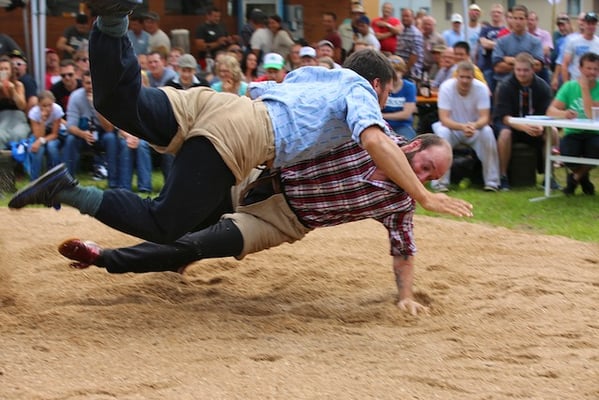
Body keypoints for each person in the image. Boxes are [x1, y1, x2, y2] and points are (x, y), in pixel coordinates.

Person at [9, 1, 473, 246]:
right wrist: (423, 194)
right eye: (384, 94)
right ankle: (67, 190)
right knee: (165, 222)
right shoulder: (359, 91)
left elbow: (271, 98)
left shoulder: (319, 74)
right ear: (376, 83)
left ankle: (113, 21)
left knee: (117, 102)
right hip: (245, 133)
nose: (382, 103)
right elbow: (374, 139)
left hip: (216, 105)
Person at [57, 134, 451, 316]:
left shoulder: (401, 200)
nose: (422, 179)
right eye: (425, 167)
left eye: (430, 178)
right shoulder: (368, 135)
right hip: (254, 178)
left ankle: (104, 258)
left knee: (197, 244)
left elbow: (403, 248)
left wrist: (405, 295)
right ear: (413, 146)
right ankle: (76, 194)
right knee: (166, 219)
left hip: (280, 221)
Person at [431, 61, 500, 192]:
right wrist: (462, 127)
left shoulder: (481, 88)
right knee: (442, 133)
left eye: (468, 77)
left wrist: (474, 125)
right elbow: (444, 119)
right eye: (462, 77)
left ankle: (492, 182)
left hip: (474, 129)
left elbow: (485, 117)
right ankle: (440, 183)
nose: (464, 81)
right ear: (456, 76)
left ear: (473, 77)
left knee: (487, 132)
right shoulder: (446, 87)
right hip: (451, 129)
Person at [493, 53, 554, 191]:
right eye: (518, 70)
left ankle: (549, 176)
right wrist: (523, 127)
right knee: (505, 134)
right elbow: (504, 117)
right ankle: (503, 176)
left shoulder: (542, 87)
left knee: (553, 132)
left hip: (535, 125)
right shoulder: (505, 86)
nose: (521, 73)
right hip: (510, 125)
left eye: (525, 70)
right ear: (514, 69)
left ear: (533, 69)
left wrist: (540, 126)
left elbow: (547, 113)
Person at [546, 52, 599, 196]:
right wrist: (564, 114)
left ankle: (574, 178)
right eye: (588, 68)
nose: (592, 72)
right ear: (580, 69)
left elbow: (590, 114)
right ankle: (583, 178)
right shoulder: (569, 86)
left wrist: (585, 89)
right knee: (568, 153)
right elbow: (550, 111)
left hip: (595, 133)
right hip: (573, 132)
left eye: (595, 69)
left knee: (595, 149)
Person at [62, 70, 119, 187]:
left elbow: (109, 128)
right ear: (82, 83)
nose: (91, 86)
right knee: (70, 139)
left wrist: (96, 106)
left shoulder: (106, 96)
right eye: (88, 83)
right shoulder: (75, 97)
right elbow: (70, 126)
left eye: (94, 83)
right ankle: (67, 182)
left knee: (111, 138)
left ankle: (113, 183)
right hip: (83, 133)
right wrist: (83, 134)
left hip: (102, 133)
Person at [491, 5, 544, 88]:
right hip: (505, 85)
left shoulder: (535, 42)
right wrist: (527, 66)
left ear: (526, 20)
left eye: (521, 18)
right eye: (515, 18)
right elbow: (498, 67)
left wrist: (510, 60)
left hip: (529, 85)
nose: (517, 21)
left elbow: (538, 66)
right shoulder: (501, 41)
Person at [27, 90, 64, 180]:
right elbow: (38, 136)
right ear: (38, 104)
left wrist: (40, 141)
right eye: (44, 105)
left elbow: (54, 134)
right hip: (40, 134)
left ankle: (56, 177)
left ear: (53, 102)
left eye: (50, 105)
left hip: (53, 135)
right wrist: (42, 120)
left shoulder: (57, 110)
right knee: (37, 150)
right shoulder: (34, 113)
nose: (47, 108)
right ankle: (34, 180)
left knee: (52, 147)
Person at [382, 55, 416, 140]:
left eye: (397, 71)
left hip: (402, 125)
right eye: (391, 71)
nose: (394, 74)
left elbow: (406, 114)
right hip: (382, 124)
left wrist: (382, 115)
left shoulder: (409, 87)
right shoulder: (381, 86)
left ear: (403, 72)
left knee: (406, 142)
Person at [0, 55, 30, 149]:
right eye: (1, 69)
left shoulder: (18, 85)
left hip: (18, 120)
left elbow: (22, 106)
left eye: (6, 69)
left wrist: (13, 91)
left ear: (11, 71)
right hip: (2, 120)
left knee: (18, 134)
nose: (3, 72)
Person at [560, 12, 599, 83]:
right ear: (584, 24)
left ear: (596, 25)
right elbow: (565, 64)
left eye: (593, 24)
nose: (591, 26)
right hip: (576, 83)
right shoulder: (573, 41)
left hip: (595, 84)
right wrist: (567, 85)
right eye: (588, 23)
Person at [477, 3, 505, 94]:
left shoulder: (505, 30)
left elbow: (506, 46)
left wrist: (491, 44)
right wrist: (500, 44)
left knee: (501, 94)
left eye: (498, 12)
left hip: (502, 67)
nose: (496, 14)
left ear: (502, 14)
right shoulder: (485, 29)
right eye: (494, 12)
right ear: (490, 14)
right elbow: (484, 44)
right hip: (488, 66)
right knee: (488, 93)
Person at [395, 8, 424, 81]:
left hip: (410, 73)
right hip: (401, 71)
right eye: (403, 16)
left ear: (413, 18)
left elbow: (415, 55)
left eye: (407, 16)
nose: (404, 18)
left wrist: (405, 70)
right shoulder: (402, 31)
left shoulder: (415, 33)